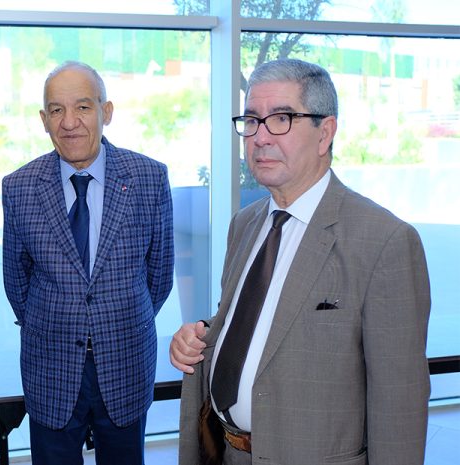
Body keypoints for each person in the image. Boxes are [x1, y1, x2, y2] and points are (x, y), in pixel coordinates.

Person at [170, 58, 431, 465]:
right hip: (225, 452)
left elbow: (399, 406)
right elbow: (256, 325)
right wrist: (201, 336)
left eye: (282, 119)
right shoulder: (245, 224)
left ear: (325, 133)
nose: (260, 137)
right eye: (251, 120)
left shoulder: (385, 242)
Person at [2, 61, 174, 465]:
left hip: (126, 359)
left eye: (82, 107)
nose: (69, 122)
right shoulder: (19, 186)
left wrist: (117, 317)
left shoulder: (149, 178)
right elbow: (16, 279)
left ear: (105, 112)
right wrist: (59, 322)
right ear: (44, 120)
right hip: (51, 366)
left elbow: (159, 274)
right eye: (56, 110)